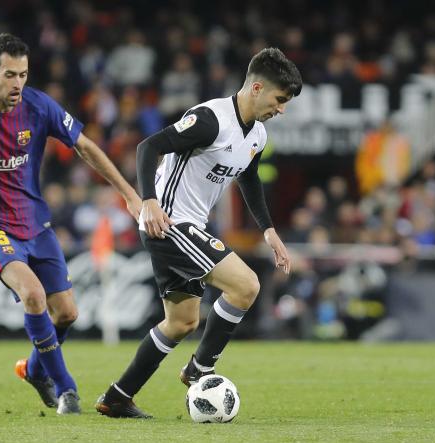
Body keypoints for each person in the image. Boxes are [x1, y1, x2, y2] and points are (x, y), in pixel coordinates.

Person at [0, 33, 142, 415]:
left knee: (68, 313)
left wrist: (129, 193)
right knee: (33, 295)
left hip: (36, 226)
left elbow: (85, 146)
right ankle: (68, 390)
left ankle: (32, 369)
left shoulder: (39, 106)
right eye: (10, 75)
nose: (17, 84)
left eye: (23, 75)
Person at [95, 47, 302, 418]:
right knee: (246, 285)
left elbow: (249, 178)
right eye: (280, 99)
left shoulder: (257, 135)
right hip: (169, 222)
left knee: (181, 322)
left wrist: (268, 230)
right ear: (256, 88)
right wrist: (149, 201)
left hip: (187, 226)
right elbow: (149, 146)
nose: (281, 108)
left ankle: (117, 397)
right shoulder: (210, 119)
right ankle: (200, 372)